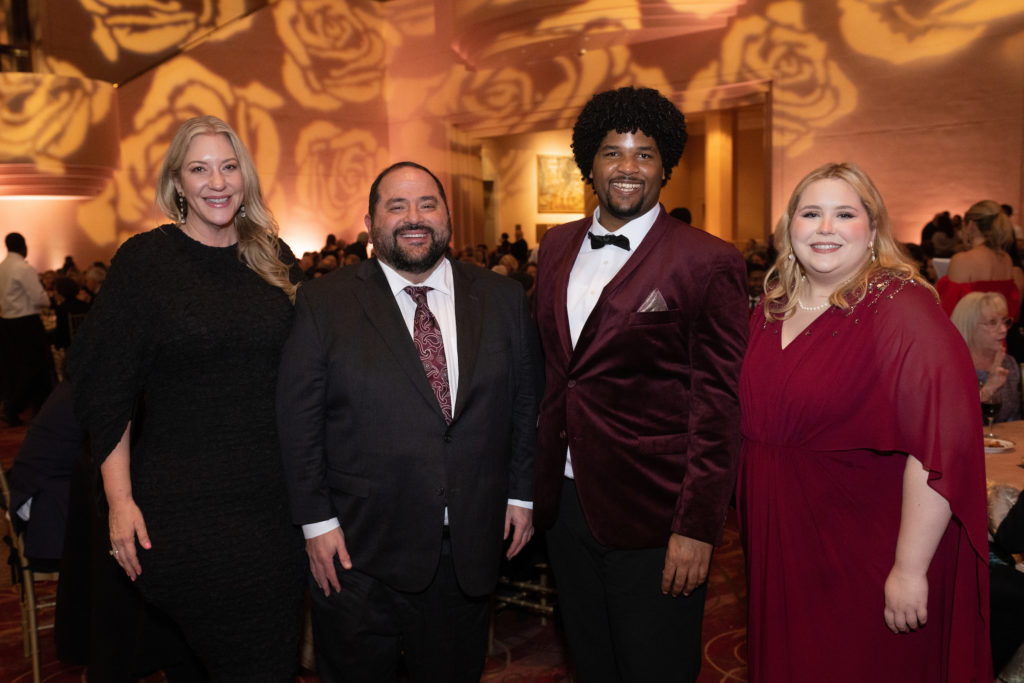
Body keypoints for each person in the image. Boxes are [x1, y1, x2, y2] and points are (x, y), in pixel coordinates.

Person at [276, 161, 542, 682]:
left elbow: (525, 404)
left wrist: (521, 495)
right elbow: (298, 421)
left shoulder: (503, 298)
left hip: (465, 548)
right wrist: (316, 523)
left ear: (447, 217)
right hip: (356, 553)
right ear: (371, 222)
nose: (413, 217)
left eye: (427, 204)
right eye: (396, 206)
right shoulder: (323, 302)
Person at [69, 115, 305, 681]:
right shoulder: (146, 262)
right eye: (199, 169)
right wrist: (120, 505)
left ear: (245, 177)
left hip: (276, 508)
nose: (217, 182)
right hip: (187, 513)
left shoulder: (273, 257)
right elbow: (108, 391)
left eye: (229, 167)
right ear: (177, 182)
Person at [739, 161, 991, 681]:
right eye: (810, 213)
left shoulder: (902, 309)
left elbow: (942, 445)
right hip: (783, 545)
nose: (825, 228)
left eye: (844, 214)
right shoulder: (771, 308)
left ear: (873, 230)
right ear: (790, 228)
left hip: (867, 553)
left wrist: (909, 568)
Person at [532, 86, 748, 682]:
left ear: (666, 165)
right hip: (568, 505)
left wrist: (697, 527)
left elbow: (718, 406)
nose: (627, 167)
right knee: (592, 662)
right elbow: (554, 373)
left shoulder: (708, 261)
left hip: (656, 512)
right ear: (589, 163)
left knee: (656, 668)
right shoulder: (554, 247)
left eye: (644, 153)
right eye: (612, 152)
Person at [936, 200, 1023, 320]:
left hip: (966, 336)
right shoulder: (1006, 259)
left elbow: (949, 310)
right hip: (996, 334)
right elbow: (1011, 308)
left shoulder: (963, 260)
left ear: (970, 224)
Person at [0, 231, 54, 426]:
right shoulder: (23, 268)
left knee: (17, 366)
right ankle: (16, 407)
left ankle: (28, 407)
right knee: (35, 366)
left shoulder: (2, 267)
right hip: (27, 323)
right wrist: (46, 302)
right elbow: (40, 299)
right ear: (24, 246)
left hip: (7, 322)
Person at [951, 292, 1021, 423]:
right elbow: (952, 420)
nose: (1003, 329)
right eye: (992, 322)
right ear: (970, 326)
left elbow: (1014, 419)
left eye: (1005, 321)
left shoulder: (1008, 363)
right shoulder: (953, 367)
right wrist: (988, 389)